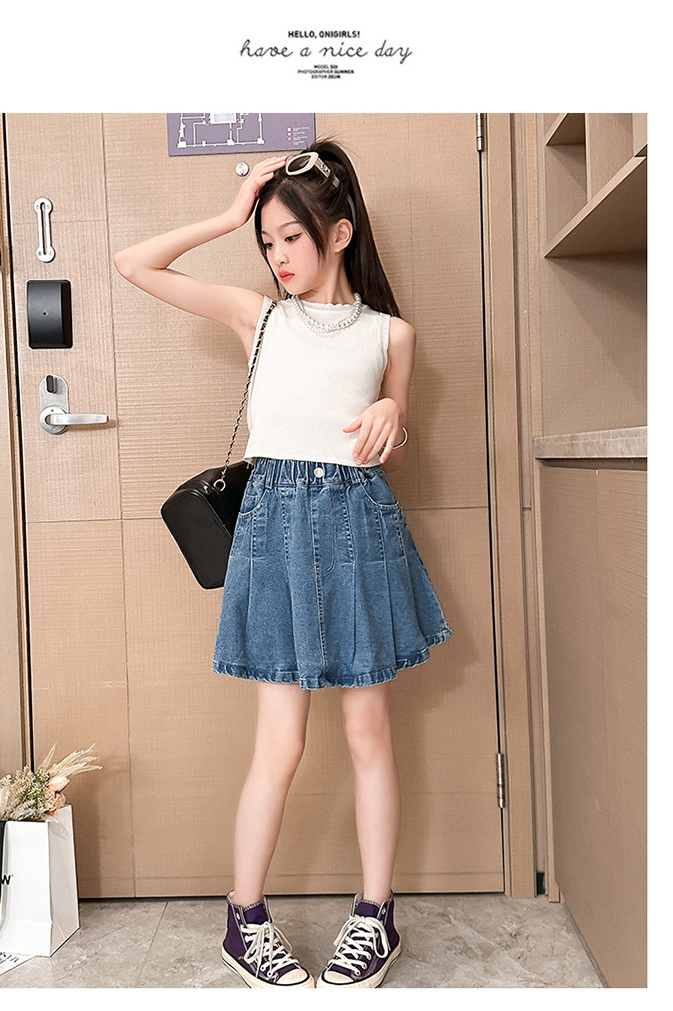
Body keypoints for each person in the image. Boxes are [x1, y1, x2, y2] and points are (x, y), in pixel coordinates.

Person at [114, 139, 453, 989]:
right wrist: (231, 213)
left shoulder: (392, 334)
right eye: (266, 242)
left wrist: (393, 414)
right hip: (275, 531)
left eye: (291, 238)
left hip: (360, 530)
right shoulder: (258, 318)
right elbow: (133, 263)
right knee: (280, 741)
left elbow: (396, 440)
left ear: (339, 233)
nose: (278, 257)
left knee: (369, 733)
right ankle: (245, 918)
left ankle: (375, 915)